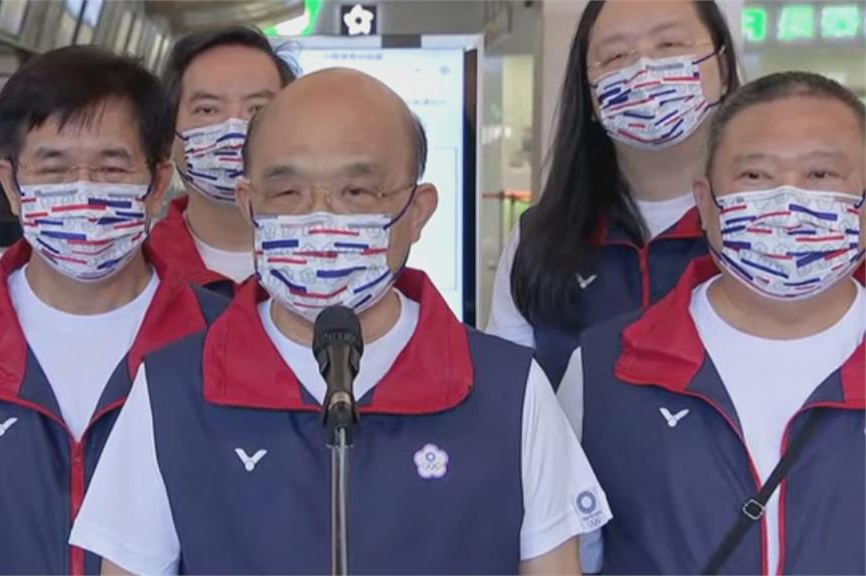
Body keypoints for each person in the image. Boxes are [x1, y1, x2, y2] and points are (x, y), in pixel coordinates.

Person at [69, 68, 610, 575]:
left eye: (357, 192)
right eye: (287, 192)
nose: (319, 216)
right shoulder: (172, 392)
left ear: (418, 211)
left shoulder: (509, 390)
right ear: (249, 204)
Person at [0, 47, 227, 574]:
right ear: (11, 185)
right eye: (53, 167)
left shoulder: (225, 344)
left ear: (157, 185)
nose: (84, 189)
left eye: (111, 166)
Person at [558, 71, 865, 574]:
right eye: (754, 177)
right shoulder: (605, 370)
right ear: (705, 204)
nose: (786, 202)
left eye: (821, 175)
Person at [487, 0, 739, 383]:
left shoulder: (767, 227)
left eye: (669, 45)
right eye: (615, 55)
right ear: (588, 93)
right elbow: (506, 403)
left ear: (721, 69)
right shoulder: (537, 241)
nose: (643, 70)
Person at [146, 26, 297, 295]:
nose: (234, 129)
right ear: (170, 134)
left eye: (257, 109)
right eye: (207, 109)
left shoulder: (335, 270)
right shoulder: (138, 270)